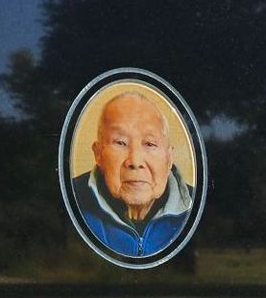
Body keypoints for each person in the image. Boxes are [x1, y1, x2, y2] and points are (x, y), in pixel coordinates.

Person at [69, 90, 196, 260]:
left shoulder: (193, 205)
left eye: (150, 144)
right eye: (120, 142)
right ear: (98, 154)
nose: (135, 161)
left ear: (169, 158)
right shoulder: (72, 200)